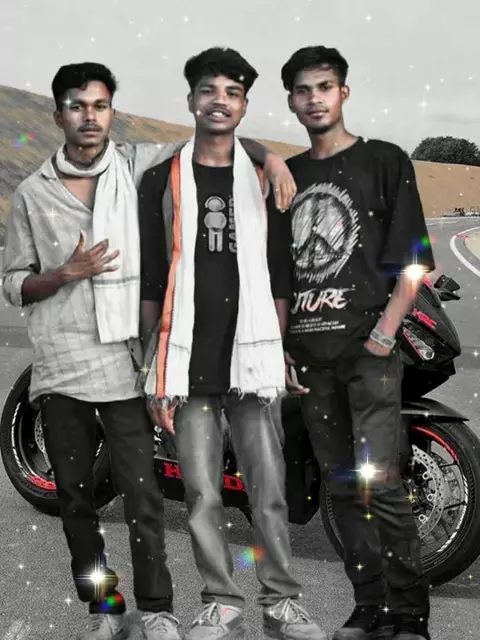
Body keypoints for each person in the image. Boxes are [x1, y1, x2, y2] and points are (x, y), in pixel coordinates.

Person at [1, 61, 299, 640]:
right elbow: (13, 283)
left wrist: (270, 158)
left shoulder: (136, 163)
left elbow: (213, 136)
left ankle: (158, 609)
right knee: (76, 501)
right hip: (60, 365)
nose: (90, 117)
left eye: (100, 105)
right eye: (77, 106)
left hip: (124, 363)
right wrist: (63, 273)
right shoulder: (33, 194)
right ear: (58, 115)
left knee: (143, 496)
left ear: (111, 111)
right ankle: (105, 609)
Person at [138, 47, 327, 640]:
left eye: (233, 93)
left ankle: (281, 600)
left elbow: (280, 272)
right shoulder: (160, 180)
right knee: (201, 494)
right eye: (209, 90)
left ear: (244, 106)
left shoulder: (266, 181)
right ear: (191, 99)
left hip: (252, 357)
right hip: (187, 361)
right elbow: (151, 277)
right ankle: (221, 601)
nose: (219, 101)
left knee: (269, 492)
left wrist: (281, 348)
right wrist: (152, 365)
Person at [280, 46, 435, 640]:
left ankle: (409, 614)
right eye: (303, 90)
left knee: (382, 485)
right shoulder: (288, 176)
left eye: (324, 86)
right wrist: (282, 348)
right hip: (309, 361)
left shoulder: (385, 161)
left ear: (343, 92)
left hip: (368, 356)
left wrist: (385, 332)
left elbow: (414, 260)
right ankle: (369, 605)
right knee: (342, 490)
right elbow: (277, 273)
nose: (314, 98)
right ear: (291, 101)